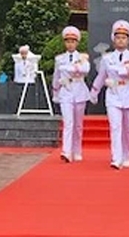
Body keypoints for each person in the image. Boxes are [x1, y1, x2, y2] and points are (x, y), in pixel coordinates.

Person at [90, 19, 129, 169]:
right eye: (118, 37)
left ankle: (127, 154)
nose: (121, 40)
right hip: (113, 94)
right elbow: (101, 76)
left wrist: (122, 71)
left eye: (124, 37)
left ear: (128, 39)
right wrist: (94, 92)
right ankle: (116, 157)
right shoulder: (107, 58)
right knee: (115, 126)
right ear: (113, 39)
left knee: (128, 128)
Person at [53, 26, 91, 163]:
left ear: (77, 43)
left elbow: (85, 70)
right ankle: (66, 151)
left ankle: (77, 150)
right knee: (68, 122)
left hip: (79, 89)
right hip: (65, 91)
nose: (70, 44)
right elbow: (56, 76)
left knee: (78, 124)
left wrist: (69, 68)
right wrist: (55, 92)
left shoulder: (82, 57)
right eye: (68, 41)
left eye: (73, 41)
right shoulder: (59, 59)